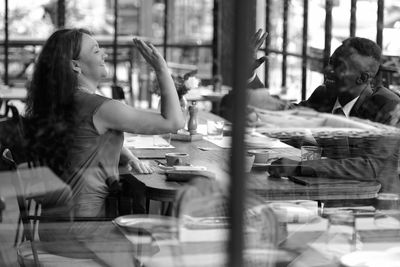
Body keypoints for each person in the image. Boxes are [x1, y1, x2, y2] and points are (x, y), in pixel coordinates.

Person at [24, 28, 185, 266]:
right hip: (82, 233)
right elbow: (174, 122)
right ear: (76, 66)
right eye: (96, 50)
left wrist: (126, 153)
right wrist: (161, 69)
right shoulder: (100, 107)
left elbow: (81, 140)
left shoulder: (58, 102)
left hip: (51, 229)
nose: (104, 55)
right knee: (167, 245)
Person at [265, 37, 400, 193]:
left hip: (376, 206)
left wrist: (301, 166)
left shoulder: (387, 105)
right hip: (332, 200)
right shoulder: (324, 95)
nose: (328, 70)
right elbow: (288, 118)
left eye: (340, 67)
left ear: (362, 78)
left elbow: (370, 167)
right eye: (331, 62)